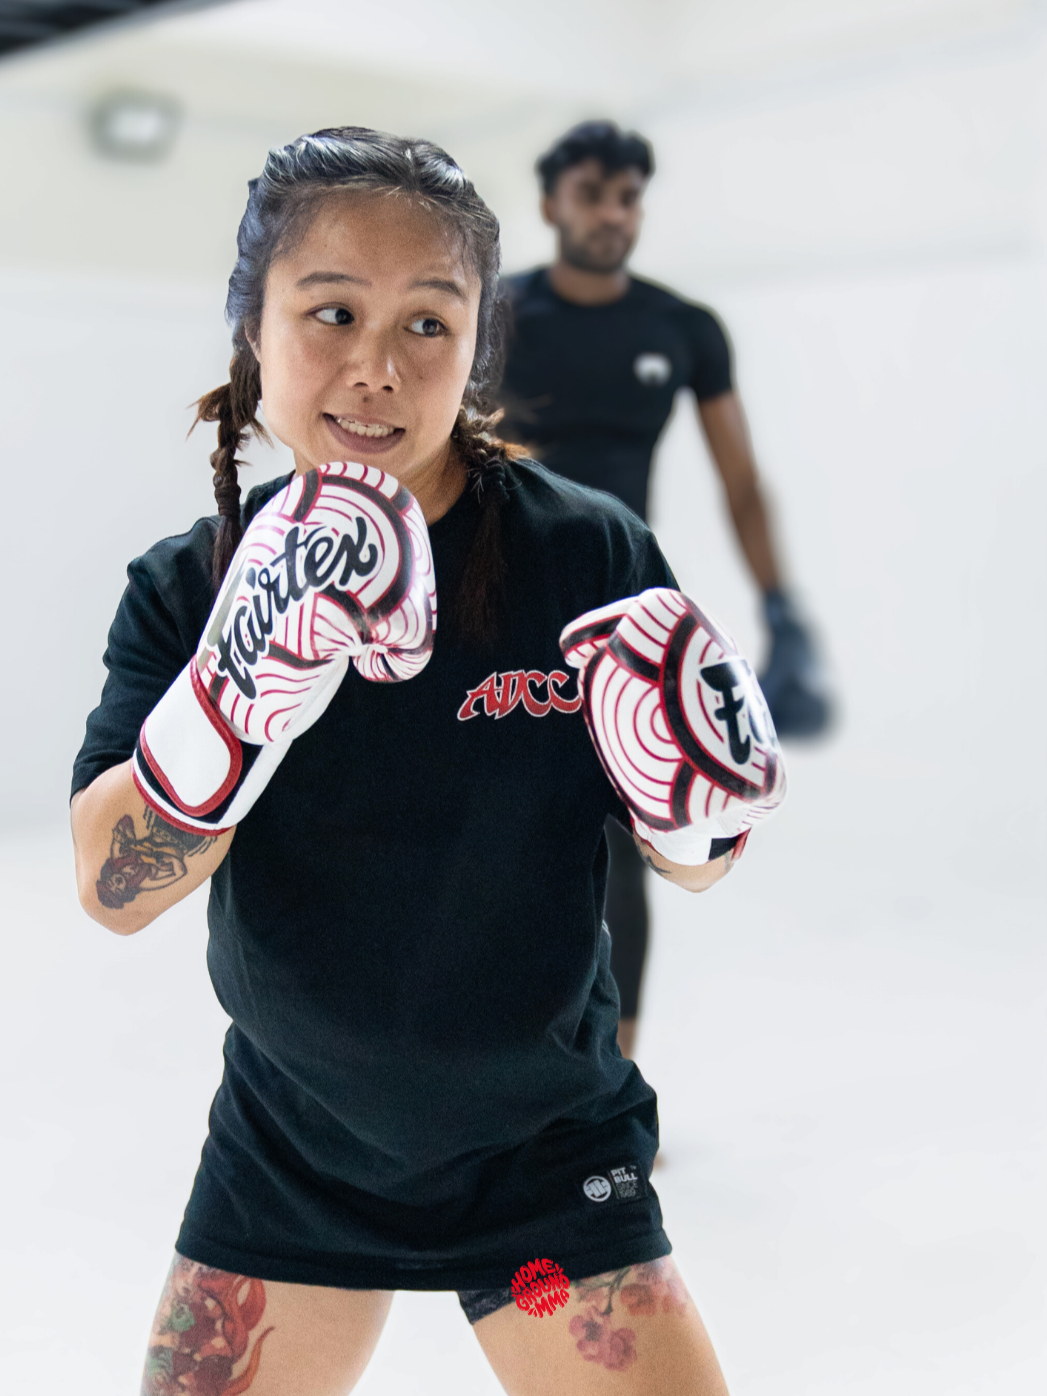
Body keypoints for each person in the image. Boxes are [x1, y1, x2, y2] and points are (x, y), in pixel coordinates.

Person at [70, 127, 783, 1395]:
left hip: (546, 1157)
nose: (375, 370)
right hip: (295, 1147)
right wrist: (232, 701)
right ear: (253, 327)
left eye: (427, 326)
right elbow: (112, 889)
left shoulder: (586, 559)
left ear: (476, 347)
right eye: (331, 311)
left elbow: (702, 871)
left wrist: (695, 817)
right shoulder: (190, 587)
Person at [498, 119, 829, 1060]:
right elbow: (467, 448)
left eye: (628, 196)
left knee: (627, 843)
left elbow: (739, 477)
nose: (613, 213)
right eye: (594, 192)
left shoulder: (680, 328)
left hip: (623, 607)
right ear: (550, 204)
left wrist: (780, 608)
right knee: (491, 829)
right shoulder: (499, 314)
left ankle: (613, 1079)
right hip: (505, 595)